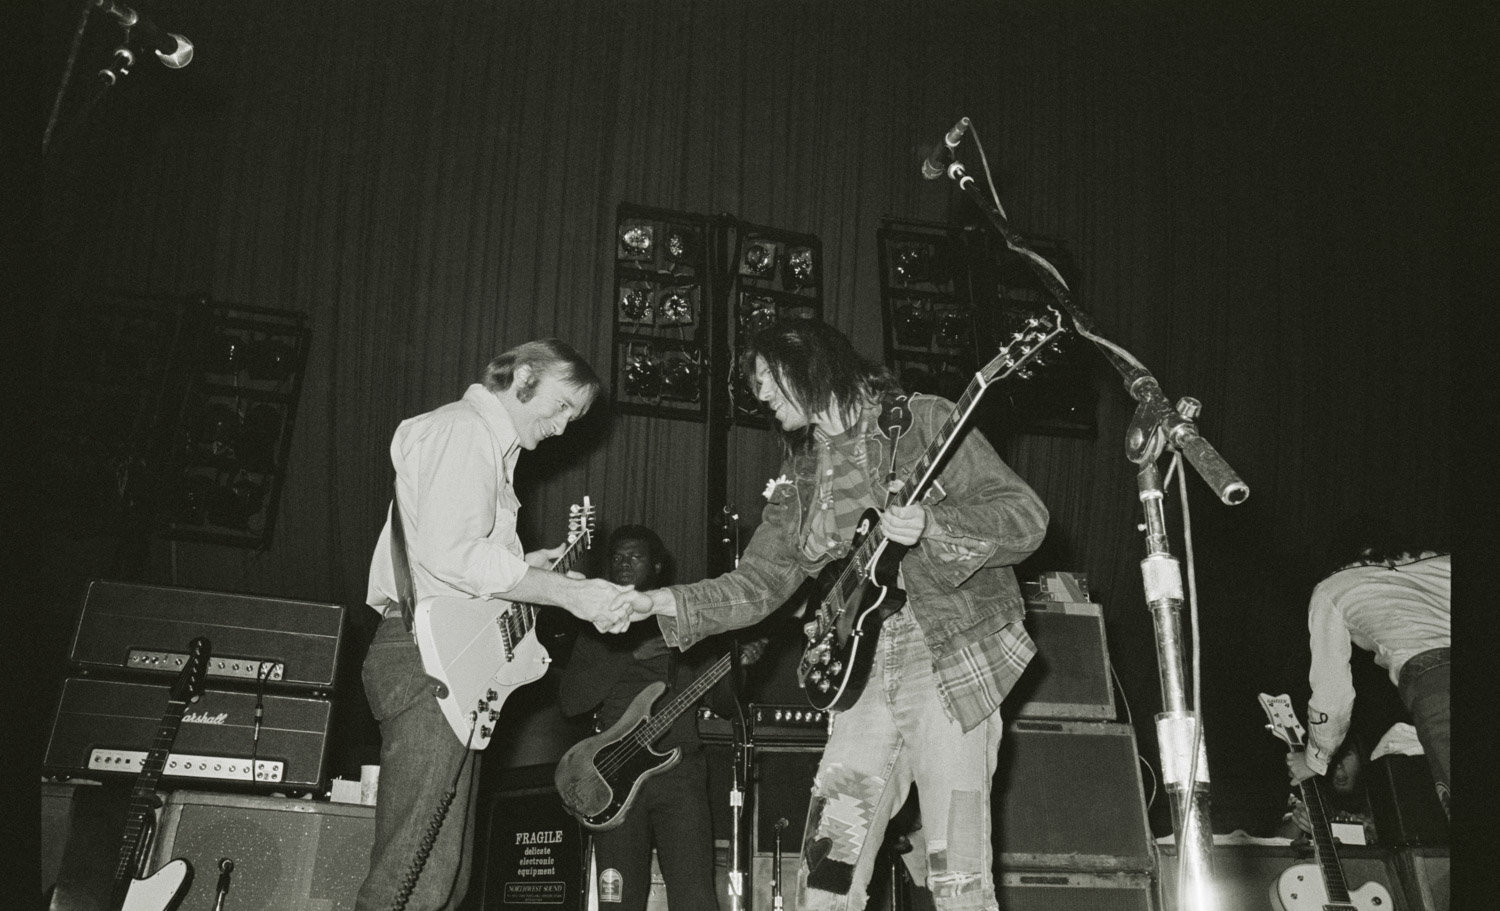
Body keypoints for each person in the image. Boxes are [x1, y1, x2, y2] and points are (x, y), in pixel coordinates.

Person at [621, 318, 1049, 911]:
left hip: (946, 661)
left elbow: (1025, 516)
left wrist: (934, 525)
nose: (762, 395)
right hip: (864, 679)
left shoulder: (922, 421)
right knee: (826, 872)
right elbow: (762, 581)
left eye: (768, 379)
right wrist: (663, 602)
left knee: (957, 874)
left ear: (808, 363)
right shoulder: (800, 479)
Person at [358, 340, 637, 911]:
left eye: (573, 419)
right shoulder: (464, 431)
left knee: (441, 876)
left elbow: (462, 563)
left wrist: (528, 567)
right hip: (425, 657)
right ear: (525, 376)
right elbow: (453, 556)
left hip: (446, 661)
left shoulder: (490, 449)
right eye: (561, 407)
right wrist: (568, 593)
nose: (562, 429)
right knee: (412, 874)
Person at [559, 524, 727, 911]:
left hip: (680, 772)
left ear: (655, 566)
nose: (623, 565)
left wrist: (741, 661)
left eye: (634, 558)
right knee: (619, 900)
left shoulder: (684, 620)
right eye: (617, 557)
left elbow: (722, 699)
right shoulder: (596, 625)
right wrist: (627, 656)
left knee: (695, 896)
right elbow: (571, 702)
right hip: (613, 775)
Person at [1287, 544, 1450, 819]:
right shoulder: (1444, 561)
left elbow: (1332, 695)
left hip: (1435, 680)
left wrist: (1315, 760)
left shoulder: (1333, 587)